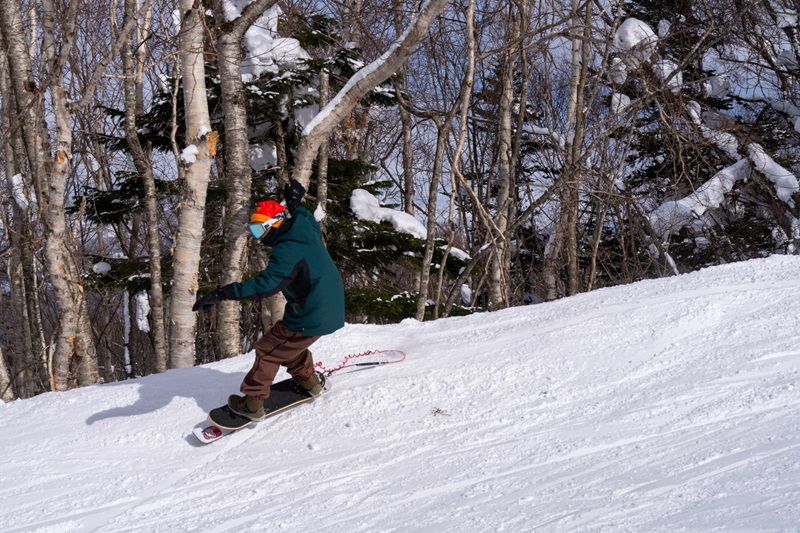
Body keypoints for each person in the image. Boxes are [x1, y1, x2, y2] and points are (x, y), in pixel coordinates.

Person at [192, 179, 345, 420]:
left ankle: (252, 404)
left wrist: (222, 293)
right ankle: (310, 382)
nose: (258, 238)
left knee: (268, 350)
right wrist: (294, 201)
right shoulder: (304, 227)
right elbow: (302, 213)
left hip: (312, 313)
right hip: (324, 308)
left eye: (258, 230)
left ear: (274, 224)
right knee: (286, 344)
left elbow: (266, 286)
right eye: (253, 231)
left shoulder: (287, 249)